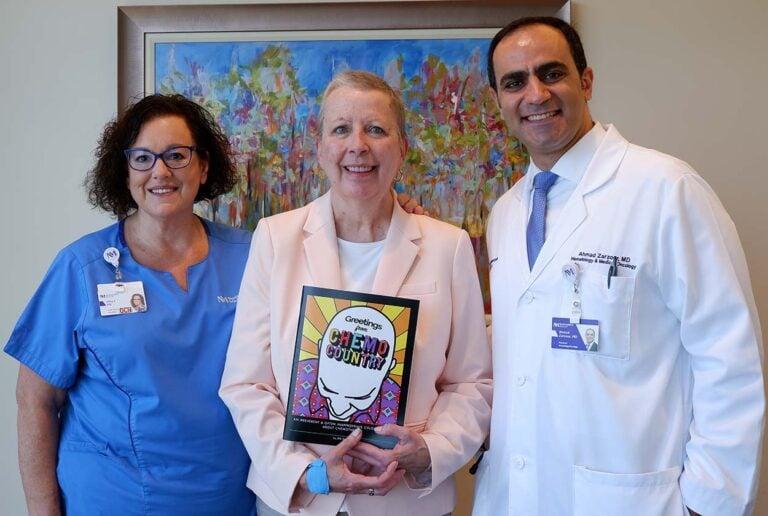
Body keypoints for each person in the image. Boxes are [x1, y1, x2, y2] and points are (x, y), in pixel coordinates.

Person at [473, 16, 764, 516]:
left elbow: (730, 356)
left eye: (552, 73)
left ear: (586, 81)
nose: (536, 94)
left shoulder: (666, 189)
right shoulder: (506, 212)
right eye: (514, 82)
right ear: (498, 100)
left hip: (634, 499)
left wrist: (710, 502)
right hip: (515, 495)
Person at [220, 70, 492, 516]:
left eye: (377, 130)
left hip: (406, 502)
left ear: (402, 147)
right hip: (302, 500)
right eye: (341, 129)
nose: (358, 145)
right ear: (320, 147)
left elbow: (471, 382)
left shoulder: (448, 245)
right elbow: (246, 384)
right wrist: (306, 472)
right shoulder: (274, 238)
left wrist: (431, 450)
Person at [5, 94, 256, 514]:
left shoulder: (253, 256)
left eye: (177, 155)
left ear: (204, 165)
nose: (160, 171)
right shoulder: (81, 269)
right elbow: (36, 401)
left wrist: (401, 212)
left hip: (227, 498)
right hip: (112, 498)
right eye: (142, 158)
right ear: (125, 172)